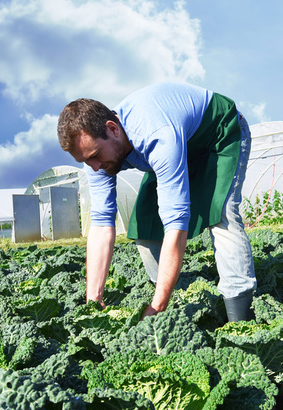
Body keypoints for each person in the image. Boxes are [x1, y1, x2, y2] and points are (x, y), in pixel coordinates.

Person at [57, 82, 256, 321]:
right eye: (86, 161)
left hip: (217, 134)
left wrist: (157, 306)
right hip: (174, 144)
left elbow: (176, 225)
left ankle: (239, 314)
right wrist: (93, 300)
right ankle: (183, 300)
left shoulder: (155, 135)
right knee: (146, 225)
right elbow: (100, 225)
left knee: (222, 215)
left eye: (96, 156)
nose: (95, 167)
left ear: (113, 128)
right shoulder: (96, 159)